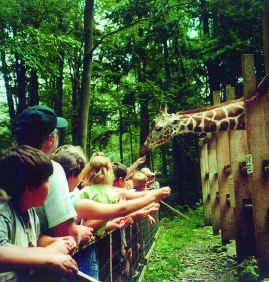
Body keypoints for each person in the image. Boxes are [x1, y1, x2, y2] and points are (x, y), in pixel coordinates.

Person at [14, 105, 92, 243]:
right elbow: (67, 233)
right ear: (50, 139)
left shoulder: (8, 166)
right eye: (57, 134)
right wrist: (78, 232)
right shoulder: (52, 169)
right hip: (42, 261)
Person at [0, 145, 78, 281]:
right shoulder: (3, 210)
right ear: (30, 189)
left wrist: (56, 242)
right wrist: (49, 256)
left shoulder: (30, 211)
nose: (50, 185)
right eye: (47, 180)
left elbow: (35, 239)